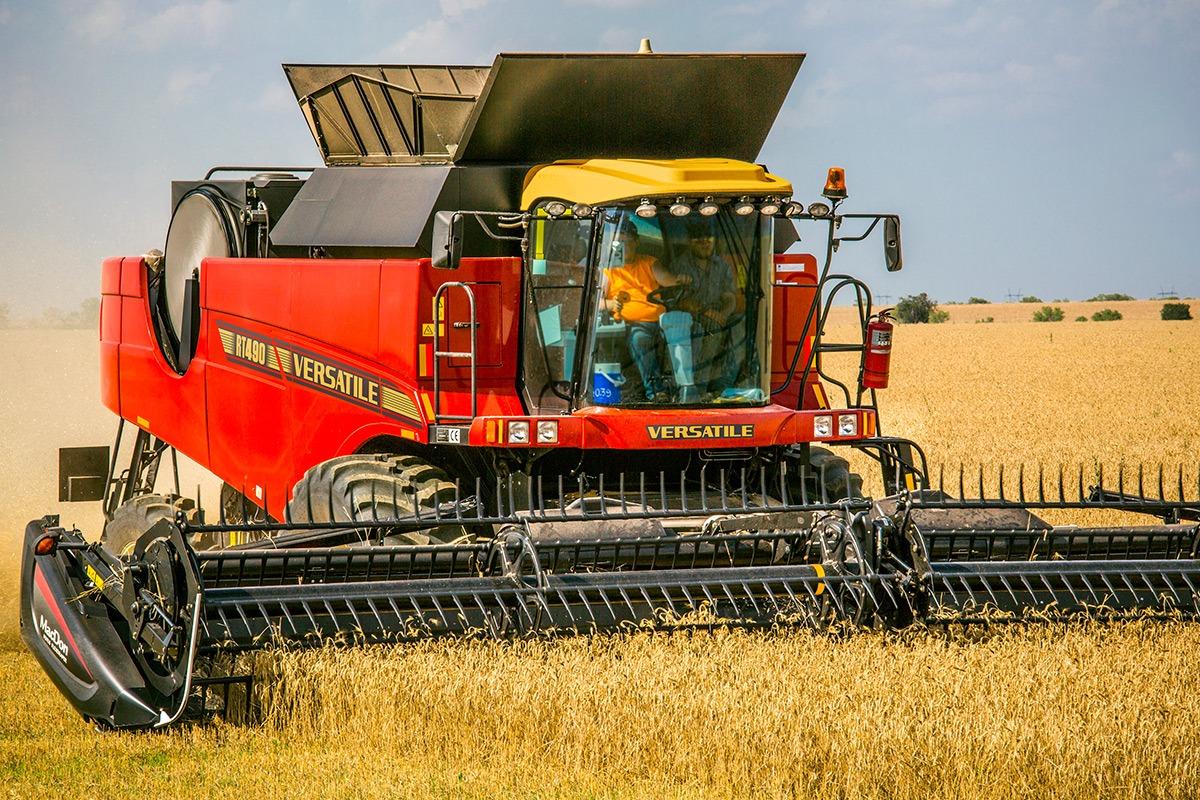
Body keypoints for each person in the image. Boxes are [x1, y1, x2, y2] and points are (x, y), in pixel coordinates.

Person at [602, 222, 674, 401]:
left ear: (637, 242)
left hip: (662, 322)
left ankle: (691, 388)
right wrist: (610, 304)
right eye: (619, 242)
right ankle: (656, 392)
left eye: (628, 241)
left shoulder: (649, 262)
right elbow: (596, 302)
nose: (623, 247)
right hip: (631, 326)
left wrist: (680, 279)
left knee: (691, 330)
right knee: (640, 339)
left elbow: (666, 280)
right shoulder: (609, 269)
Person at [668, 218, 739, 394]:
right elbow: (680, 301)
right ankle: (697, 387)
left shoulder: (722, 266)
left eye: (708, 240)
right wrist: (711, 314)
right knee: (704, 330)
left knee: (740, 326)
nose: (704, 244)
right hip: (690, 316)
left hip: (717, 313)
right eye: (699, 240)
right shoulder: (679, 265)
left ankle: (729, 383)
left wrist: (724, 313)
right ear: (690, 243)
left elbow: (730, 297)